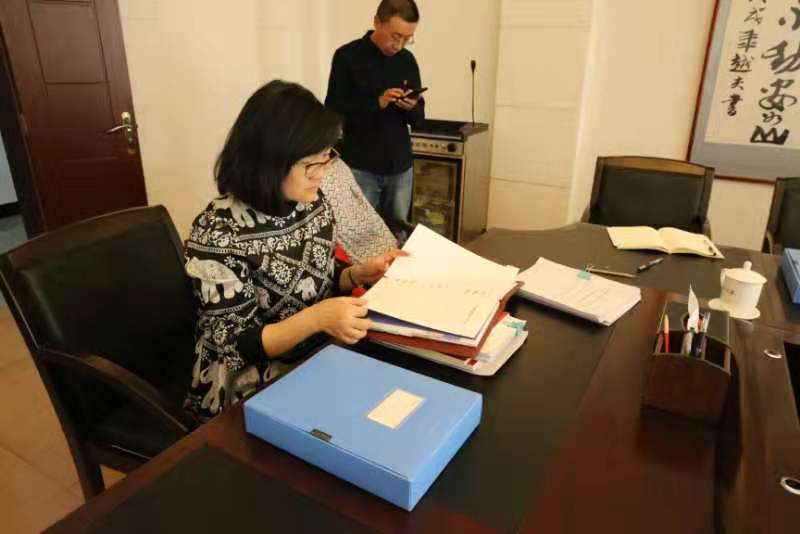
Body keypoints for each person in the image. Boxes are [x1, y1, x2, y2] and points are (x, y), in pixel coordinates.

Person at [184, 80, 405, 420]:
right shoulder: (219, 232)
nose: (322, 174)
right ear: (270, 160)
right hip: (247, 389)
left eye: (327, 158)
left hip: (316, 359)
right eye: (311, 164)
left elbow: (315, 280)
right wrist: (318, 319)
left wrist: (357, 274)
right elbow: (238, 345)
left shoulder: (311, 202)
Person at [325, 0, 424, 238]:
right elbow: (332, 111)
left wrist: (412, 106)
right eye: (395, 36)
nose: (399, 45)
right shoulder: (347, 57)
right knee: (359, 238)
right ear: (377, 22)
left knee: (398, 236)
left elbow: (419, 120)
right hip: (361, 167)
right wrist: (377, 103)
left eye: (407, 38)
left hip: (400, 167)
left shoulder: (407, 60)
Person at [320, 158, 398, 264]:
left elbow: (363, 203)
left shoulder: (337, 165)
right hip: (347, 242)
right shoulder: (315, 179)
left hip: (371, 231)